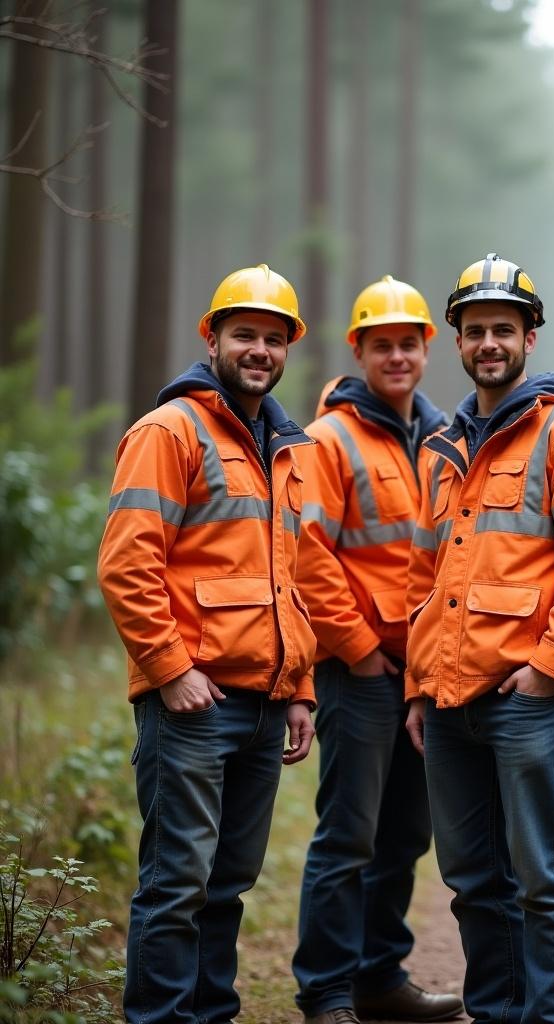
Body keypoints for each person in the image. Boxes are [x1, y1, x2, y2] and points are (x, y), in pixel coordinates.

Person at [404, 253, 554, 1024]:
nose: (489, 342)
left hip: (530, 699)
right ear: (457, 342)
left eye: (504, 328)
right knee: (472, 878)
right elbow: (422, 579)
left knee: (543, 878)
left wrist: (549, 667)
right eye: (475, 330)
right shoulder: (443, 447)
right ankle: (496, 1013)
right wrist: (417, 685)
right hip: (448, 699)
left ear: (531, 338)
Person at [97, 264, 318, 1024]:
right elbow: (127, 563)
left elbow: (293, 580)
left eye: (272, 338)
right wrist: (169, 667)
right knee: (177, 884)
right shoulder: (170, 431)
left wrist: (299, 691)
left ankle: (210, 1014)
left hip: (263, 705)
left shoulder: (287, 446)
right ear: (213, 337)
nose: (259, 350)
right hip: (193, 705)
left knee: (226, 885)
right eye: (244, 335)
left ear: (288, 347)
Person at [291, 276, 462, 1024]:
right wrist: (357, 649)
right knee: (348, 836)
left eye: (408, 344)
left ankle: (379, 979)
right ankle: (327, 990)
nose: (396, 356)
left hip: (425, 674)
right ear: (358, 350)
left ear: (427, 350)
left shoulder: (445, 436)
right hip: (359, 674)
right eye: (381, 345)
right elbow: (306, 553)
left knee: (405, 835)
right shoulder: (329, 438)